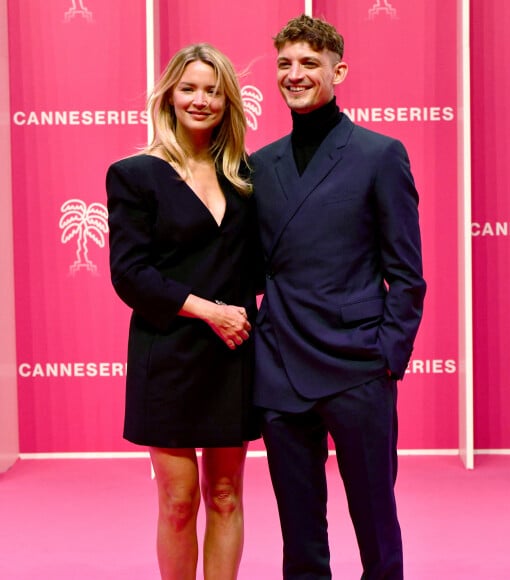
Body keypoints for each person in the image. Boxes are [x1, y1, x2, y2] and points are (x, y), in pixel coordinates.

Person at [250, 15, 426, 580]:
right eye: (284, 64)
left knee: (375, 522)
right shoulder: (260, 164)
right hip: (280, 366)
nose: (294, 74)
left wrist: (386, 359)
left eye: (308, 63)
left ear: (338, 70)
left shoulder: (379, 154)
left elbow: (407, 273)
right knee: (298, 530)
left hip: (357, 365)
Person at [106, 43, 260, 580]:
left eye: (213, 90)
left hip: (233, 353)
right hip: (168, 350)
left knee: (225, 494)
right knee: (178, 500)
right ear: (170, 94)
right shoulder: (135, 174)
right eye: (190, 88)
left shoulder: (245, 175)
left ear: (228, 101)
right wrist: (211, 312)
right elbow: (130, 274)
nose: (201, 100)